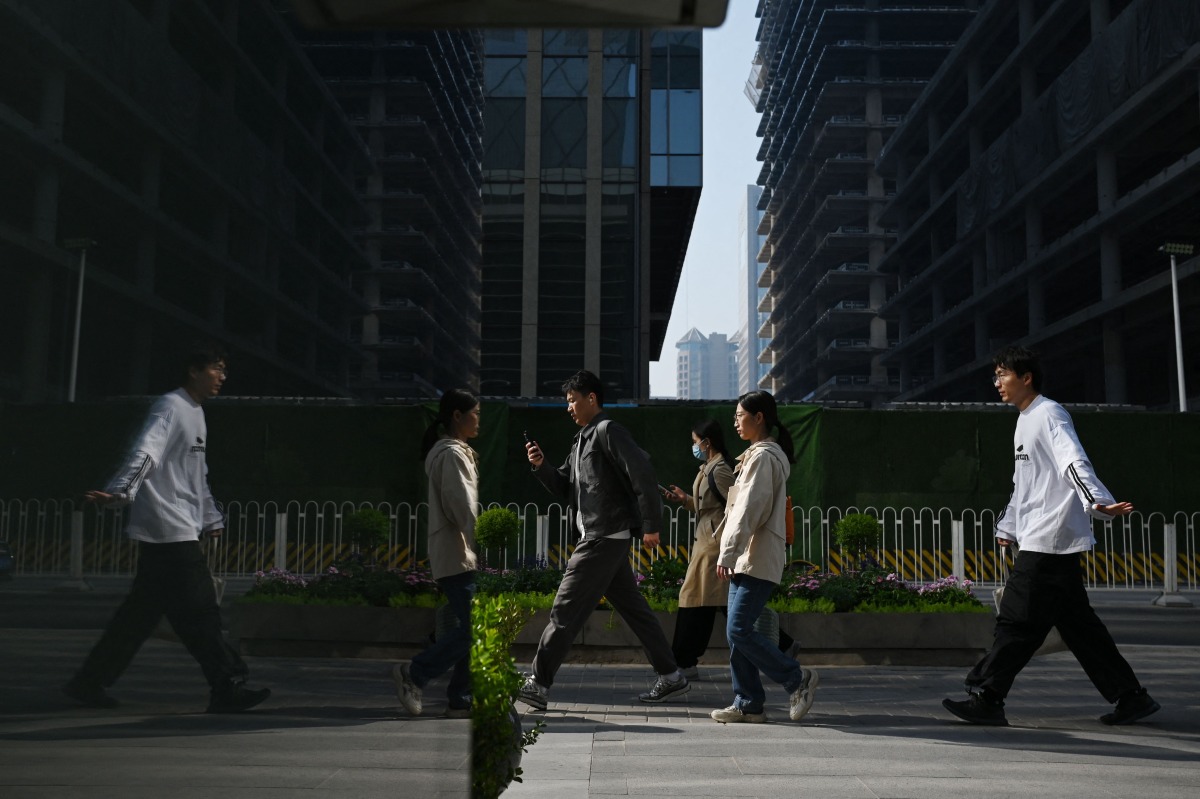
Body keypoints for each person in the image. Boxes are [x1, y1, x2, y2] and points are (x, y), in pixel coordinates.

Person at [942, 346, 1160, 727]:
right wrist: (1008, 527)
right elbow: (1025, 484)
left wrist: (1097, 501)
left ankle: (988, 696)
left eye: (1003, 375)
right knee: (1080, 627)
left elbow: (1073, 460)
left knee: (1016, 619)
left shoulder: (1049, 414)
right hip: (1041, 535)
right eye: (995, 376)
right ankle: (1131, 697)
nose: (997, 383)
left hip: (1051, 536)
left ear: (1026, 377)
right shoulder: (1024, 419)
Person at [63, 343, 270, 713]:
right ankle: (227, 685)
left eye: (224, 370)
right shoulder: (170, 406)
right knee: (202, 611)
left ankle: (88, 682)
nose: (222, 377)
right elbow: (146, 452)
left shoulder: (197, 413)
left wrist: (211, 518)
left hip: (177, 528)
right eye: (216, 369)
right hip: (168, 526)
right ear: (194, 370)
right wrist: (120, 492)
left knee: (138, 617)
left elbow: (196, 474)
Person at [519, 369, 688, 709]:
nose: (568, 407)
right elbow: (564, 487)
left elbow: (641, 472)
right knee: (635, 610)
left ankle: (538, 683)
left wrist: (651, 524)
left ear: (591, 398)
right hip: (601, 536)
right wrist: (541, 466)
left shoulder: (608, 431)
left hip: (603, 536)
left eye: (572, 400)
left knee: (565, 608)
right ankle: (671, 676)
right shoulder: (581, 440)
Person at [711, 390, 817, 724]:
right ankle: (749, 702)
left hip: (754, 557)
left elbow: (748, 510)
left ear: (759, 418)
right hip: (747, 557)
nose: (736, 421)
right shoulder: (756, 455)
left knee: (739, 628)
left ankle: (797, 678)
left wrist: (728, 553)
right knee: (735, 631)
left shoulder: (762, 458)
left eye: (741, 415)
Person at [393, 389, 481, 719]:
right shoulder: (452, 455)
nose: (478, 420)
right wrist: (481, 545)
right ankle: (414, 675)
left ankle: (460, 698)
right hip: (458, 554)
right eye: (474, 413)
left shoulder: (455, 453)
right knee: (475, 628)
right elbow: (463, 509)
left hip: (457, 554)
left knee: (471, 627)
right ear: (456, 416)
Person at [662, 419, 735, 677]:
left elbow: (736, 508)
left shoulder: (721, 470)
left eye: (696, 442)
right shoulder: (708, 468)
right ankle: (685, 661)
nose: (694, 447)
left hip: (714, 545)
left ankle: (683, 662)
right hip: (707, 542)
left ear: (707, 442)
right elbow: (709, 504)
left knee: (695, 599)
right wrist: (685, 500)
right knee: (714, 603)